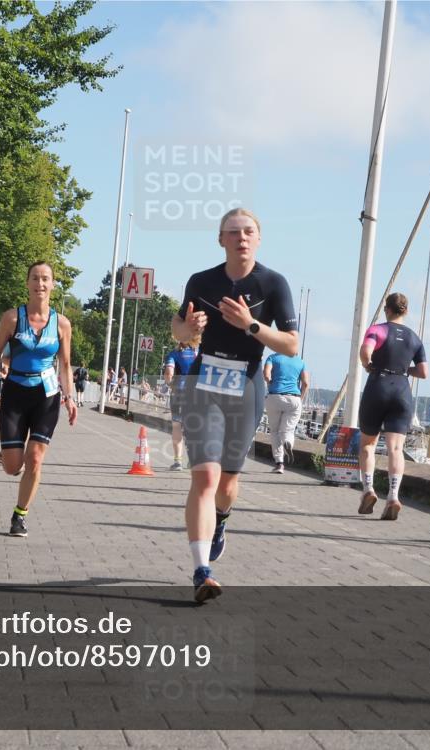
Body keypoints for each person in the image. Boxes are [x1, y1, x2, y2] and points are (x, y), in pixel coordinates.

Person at [172, 208, 298, 603]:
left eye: (248, 232)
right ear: (220, 239)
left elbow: (292, 344)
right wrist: (188, 331)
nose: (241, 238)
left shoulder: (274, 284)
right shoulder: (201, 280)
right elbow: (176, 326)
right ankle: (201, 571)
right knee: (205, 478)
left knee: (227, 483)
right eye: (233, 232)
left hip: (247, 385)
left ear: (258, 239)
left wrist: (252, 325)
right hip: (204, 383)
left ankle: (221, 521)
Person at [0, 261, 78, 538]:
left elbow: (65, 365)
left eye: (45, 279)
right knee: (12, 467)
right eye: (35, 278)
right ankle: (8, 455)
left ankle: (20, 515)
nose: (40, 284)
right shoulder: (12, 318)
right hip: (15, 393)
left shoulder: (62, 324)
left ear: (53, 285)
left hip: (47, 396)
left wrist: (71, 397)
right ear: (27, 283)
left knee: (35, 458)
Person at [356, 293, 428, 520]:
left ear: (387, 309)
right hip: (402, 391)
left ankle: (368, 490)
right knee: (396, 449)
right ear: (405, 311)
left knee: (368, 444)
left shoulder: (378, 330)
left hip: (378, 385)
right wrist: (406, 370)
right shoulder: (415, 339)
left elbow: (365, 351)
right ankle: (394, 495)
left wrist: (368, 364)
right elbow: (424, 372)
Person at [263, 352, 309, 474]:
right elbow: (305, 383)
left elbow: (266, 375)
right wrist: (301, 398)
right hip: (294, 398)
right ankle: (288, 441)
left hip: (274, 396)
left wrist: (270, 385)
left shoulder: (272, 357)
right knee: (287, 431)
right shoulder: (300, 362)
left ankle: (279, 464)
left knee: (274, 431)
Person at [163, 338, 200, 471]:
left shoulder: (174, 354)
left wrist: (170, 384)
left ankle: (178, 462)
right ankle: (193, 460)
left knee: (177, 426)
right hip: (197, 394)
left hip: (179, 392)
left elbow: (169, 373)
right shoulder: (199, 352)